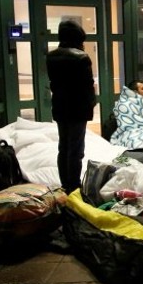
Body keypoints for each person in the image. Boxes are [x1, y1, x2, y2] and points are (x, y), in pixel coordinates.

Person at [46, 20, 96, 194]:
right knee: (76, 148)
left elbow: (54, 83)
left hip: (60, 106)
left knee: (64, 146)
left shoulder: (51, 57)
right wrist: (92, 103)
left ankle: (65, 183)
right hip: (78, 108)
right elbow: (87, 85)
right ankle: (74, 185)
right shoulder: (81, 57)